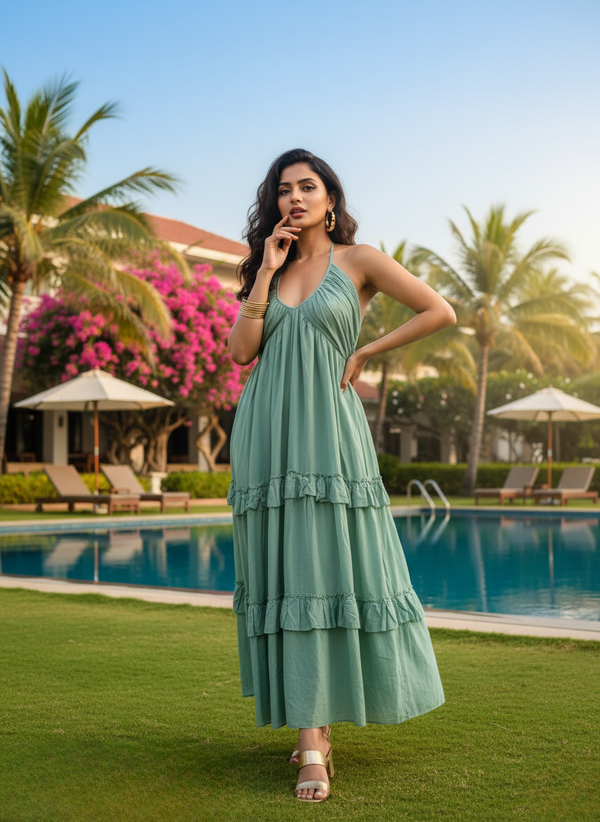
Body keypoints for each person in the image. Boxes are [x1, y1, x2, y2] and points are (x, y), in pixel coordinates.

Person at [226, 148, 456, 804]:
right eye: (284, 189)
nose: (295, 197)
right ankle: (311, 735)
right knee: (285, 572)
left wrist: (366, 351)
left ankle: (319, 730)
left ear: (330, 198)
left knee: (328, 565)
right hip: (267, 430)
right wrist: (266, 270)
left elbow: (439, 311)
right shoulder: (268, 267)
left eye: (308, 186)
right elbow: (241, 352)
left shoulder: (359, 261)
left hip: (330, 429)